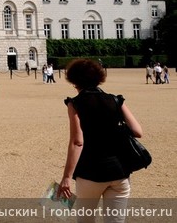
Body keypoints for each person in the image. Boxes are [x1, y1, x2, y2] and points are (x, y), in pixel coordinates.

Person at [58, 58, 144, 223]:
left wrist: (66, 177)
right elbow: (137, 131)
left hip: (90, 173)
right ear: (99, 77)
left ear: (74, 81)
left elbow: (77, 142)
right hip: (120, 172)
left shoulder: (75, 104)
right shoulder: (116, 100)